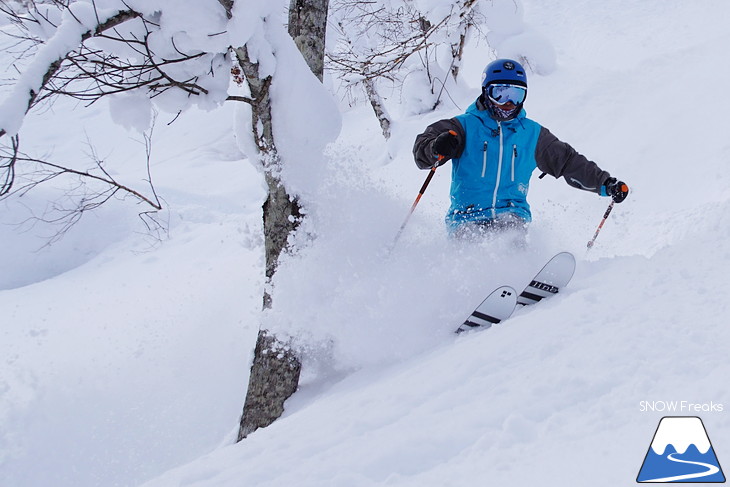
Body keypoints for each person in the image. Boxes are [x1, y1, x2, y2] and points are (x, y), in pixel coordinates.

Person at [413, 58, 629, 240]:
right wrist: (436, 147)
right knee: (470, 250)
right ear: (486, 92)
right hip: (467, 220)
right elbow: (422, 149)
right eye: (500, 93)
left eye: (515, 95)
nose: (508, 103)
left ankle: (518, 279)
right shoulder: (463, 127)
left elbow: (569, 162)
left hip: (511, 217)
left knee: (510, 243)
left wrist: (605, 184)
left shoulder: (532, 134)